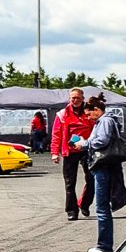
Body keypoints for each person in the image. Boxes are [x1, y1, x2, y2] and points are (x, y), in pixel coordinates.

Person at [82, 95, 125, 252]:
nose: (88, 117)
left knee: (102, 207)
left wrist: (84, 143)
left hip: (104, 167)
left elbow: (101, 141)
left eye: (88, 114)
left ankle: (104, 246)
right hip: (105, 167)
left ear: (97, 110)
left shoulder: (105, 121)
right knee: (102, 206)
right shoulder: (105, 121)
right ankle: (104, 245)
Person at [50, 88, 95, 221]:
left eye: (77, 98)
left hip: (87, 150)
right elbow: (56, 134)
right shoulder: (62, 114)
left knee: (92, 179)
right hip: (69, 151)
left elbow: (96, 128)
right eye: (72, 98)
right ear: (69, 99)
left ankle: (84, 203)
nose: (75, 100)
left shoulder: (89, 112)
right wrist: (54, 153)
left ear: (83, 98)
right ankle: (71, 210)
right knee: (70, 183)